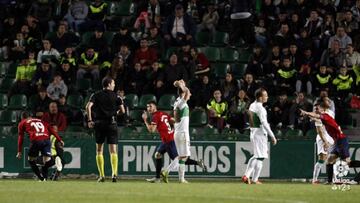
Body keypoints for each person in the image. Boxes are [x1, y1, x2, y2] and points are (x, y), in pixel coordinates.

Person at [160, 80, 207, 184]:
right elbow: (186, 91)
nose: (190, 94)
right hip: (182, 133)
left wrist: (180, 85)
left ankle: (179, 178)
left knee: (181, 157)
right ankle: (167, 172)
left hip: (178, 132)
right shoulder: (181, 102)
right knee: (184, 156)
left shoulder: (177, 102)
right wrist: (181, 85)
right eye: (188, 93)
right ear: (183, 93)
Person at [85, 77, 125, 182]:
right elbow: (123, 111)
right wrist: (115, 113)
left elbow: (88, 107)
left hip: (99, 124)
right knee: (113, 150)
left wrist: (90, 120)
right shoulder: (117, 96)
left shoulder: (96, 95)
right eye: (113, 83)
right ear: (108, 84)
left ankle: (102, 176)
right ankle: (114, 175)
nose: (114, 85)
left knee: (99, 150)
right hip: (112, 124)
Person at [300, 104, 351, 184]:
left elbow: (317, 117)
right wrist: (307, 115)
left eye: (317, 109)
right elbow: (316, 121)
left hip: (340, 140)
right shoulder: (322, 117)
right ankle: (330, 181)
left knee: (347, 161)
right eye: (315, 109)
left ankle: (329, 179)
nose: (316, 110)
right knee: (329, 160)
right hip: (335, 141)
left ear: (322, 110)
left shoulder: (325, 116)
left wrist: (306, 113)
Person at [242, 88, 277, 184]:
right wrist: (272, 136)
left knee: (260, 156)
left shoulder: (252, 105)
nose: (267, 97)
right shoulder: (261, 109)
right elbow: (264, 124)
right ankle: (247, 176)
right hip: (260, 134)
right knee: (258, 156)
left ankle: (254, 179)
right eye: (265, 95)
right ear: (261, 98)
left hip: (253, 132)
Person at [16, 111, 64, 181]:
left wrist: (19, 151)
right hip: (47, 141)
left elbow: (21, 137)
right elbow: (51, 130)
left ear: (22, 118)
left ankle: (41, 178)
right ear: (30, 116)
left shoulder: (22, 122)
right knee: (47, 162)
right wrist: (60, 140)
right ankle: (55, 164)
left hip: (36, 140)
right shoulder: (40, 121)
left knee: (31, 160)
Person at [142, 101, 178, 183]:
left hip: (168, 139)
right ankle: (157, 178)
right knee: (158, 155)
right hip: (167, 139)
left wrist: (145, 120)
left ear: (155, 107)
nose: (148, 108)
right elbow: (173, 120)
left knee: (177, 160)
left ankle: (166, 172)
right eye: (147, 107)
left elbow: (152, 130)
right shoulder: (163, 113)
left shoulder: (155, 116)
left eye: (150, 106)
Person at [311, 97, 335, 184]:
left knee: (332, 158)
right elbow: (319, 131)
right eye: (327, 101)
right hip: (322, 137)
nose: (329, 102)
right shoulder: (318, 116)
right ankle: (314, 179)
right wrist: (325, 141)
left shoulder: (331, 113)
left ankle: (333, 179)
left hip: (330, 136)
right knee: (322, 158)